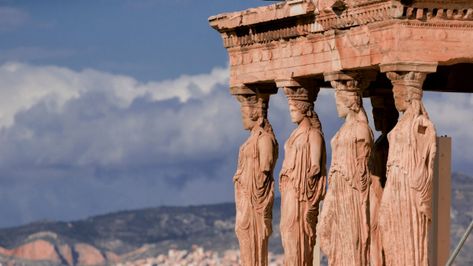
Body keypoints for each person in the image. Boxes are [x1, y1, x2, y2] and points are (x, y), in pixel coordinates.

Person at [379, 72, 436, 266]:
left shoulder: (420, 123)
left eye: (397, 95)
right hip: (395, 181)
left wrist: (418, 178)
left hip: (408, 183)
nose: (396, 100)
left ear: (408, 96)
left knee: (405, 230)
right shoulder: (403, 123)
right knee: (387, 226)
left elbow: (430, 152)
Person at [319, 80, 373, 266]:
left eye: (338, 103)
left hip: (350, 191)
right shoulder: (346, 128)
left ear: (349, 103)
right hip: (337, 187)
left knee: (349, 238)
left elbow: (363, 167)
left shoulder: (361, 129)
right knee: (328, 232)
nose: (337, 108)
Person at [280, 86, 326, 266]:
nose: (291, 114)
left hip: (302, 192)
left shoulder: (313, 135)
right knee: (287, 230)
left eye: (293, 110)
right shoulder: (295, 134)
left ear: (304, 109)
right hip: (290, 190)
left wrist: (298, 173)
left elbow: (315, 166)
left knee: (296, 231)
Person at [233, 92, 278, 266]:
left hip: (255, 197)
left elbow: (265, 166)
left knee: (253, 236)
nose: (242, 119)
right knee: (243, 234)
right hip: (245, 196)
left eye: (244, 116)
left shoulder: (264, 139)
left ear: (255, 116)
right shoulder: (251, 140)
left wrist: (247, 177)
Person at [368, 94, 398, 266]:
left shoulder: (390, 142)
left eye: (379, 114)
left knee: (380, 234)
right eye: (374, 114)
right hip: (375, 195)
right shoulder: (381, 141)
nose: (375, 119)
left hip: (383, 197)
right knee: (375, 236)